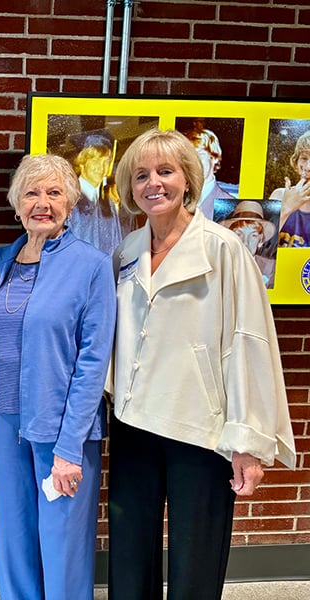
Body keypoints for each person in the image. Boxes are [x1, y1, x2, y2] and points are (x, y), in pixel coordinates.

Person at [108, 128, 296, 600]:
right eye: (141, 175)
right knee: (130, 558)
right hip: (133, 422)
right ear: (130, 188)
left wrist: (248, 441)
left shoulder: (224, 248)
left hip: (201, 426)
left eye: (165, 172)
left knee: (197, 560)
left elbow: (249, 342)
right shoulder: (126, 252)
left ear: (188, 179)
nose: (154, 183)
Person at [0, 153, 116, 600]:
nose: (42, 202)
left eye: (54, 192)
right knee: (15, 538)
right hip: (4, 426)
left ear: (71, 202)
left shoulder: (92, 266)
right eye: (31, 192)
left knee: (62, 545)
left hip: (61, 431)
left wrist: (69, 449)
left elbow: (93, 363)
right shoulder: (4, 262)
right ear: (16, 203)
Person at [69, 130, 132, 254]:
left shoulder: (109, 204)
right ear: (82, 162)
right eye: (96, 160)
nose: (101, 167)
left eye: (106, 162)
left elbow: (116, 246)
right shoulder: (69, 200)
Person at [219, 200, 277, 288]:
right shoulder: (218, 263)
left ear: (260, 240)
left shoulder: (270, 267)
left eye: (253, 235)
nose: (245, 242)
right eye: (238, 234)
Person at [183, 126, 236, 220]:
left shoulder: (229, 204)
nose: (194, 163)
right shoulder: (176, 196)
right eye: (189, 157)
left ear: (215, 158)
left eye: (200, 155)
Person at [270, 130, 310, 247]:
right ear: (296, 163)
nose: (308, 167)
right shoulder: (279, 196)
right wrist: (287, 208)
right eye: (304, 158)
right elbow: (261, 246)